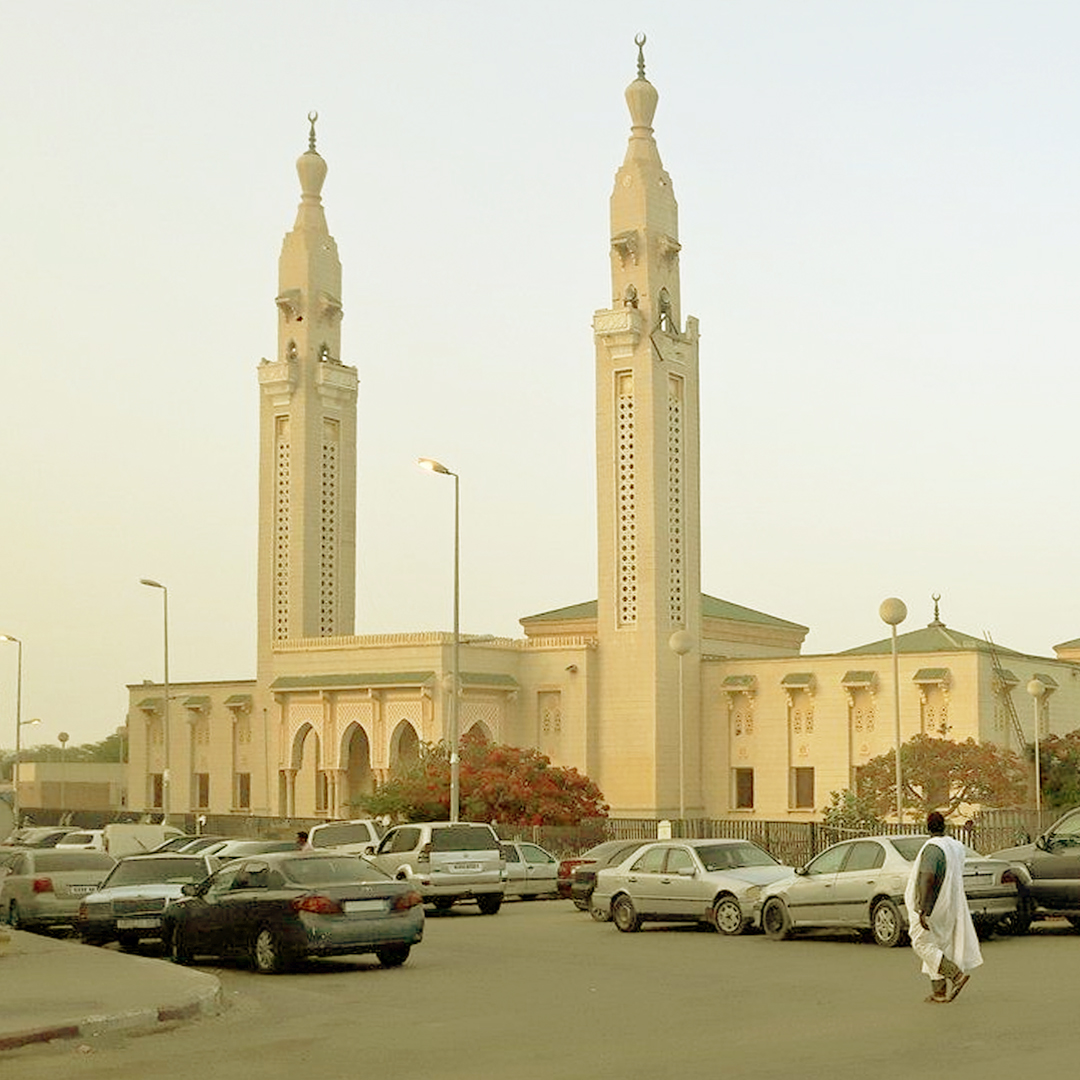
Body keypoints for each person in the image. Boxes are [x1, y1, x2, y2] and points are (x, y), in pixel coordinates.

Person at [904, 811, 983, 1003]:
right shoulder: (955, 846)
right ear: (944, 825)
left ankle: (955, 975)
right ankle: (939, 992)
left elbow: (927, 877)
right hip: (951, 903)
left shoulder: (932, 848)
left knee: (921, 943)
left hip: (933, 904)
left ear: (927, 827)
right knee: (936, 945)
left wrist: (923, 909)